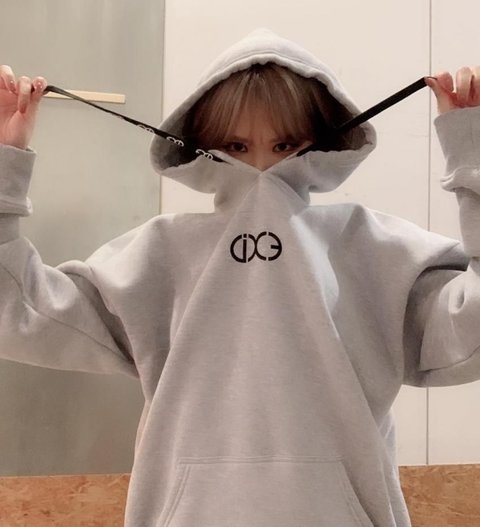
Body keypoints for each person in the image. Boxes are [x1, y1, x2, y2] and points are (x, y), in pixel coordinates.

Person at [1, 27, 480, 527]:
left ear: (322, 141)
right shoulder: (157, 256)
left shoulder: (375, 249)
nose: (262, 167)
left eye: (285, 144)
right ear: (202, 145)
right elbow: (19, 313)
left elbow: (470, 332)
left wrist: (472, 157)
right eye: (236, 145)